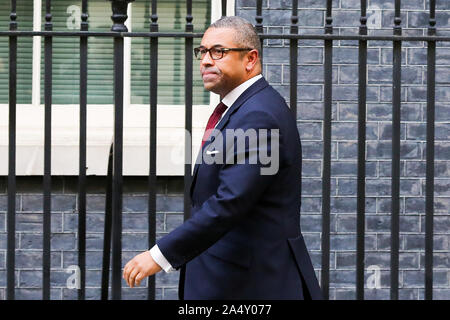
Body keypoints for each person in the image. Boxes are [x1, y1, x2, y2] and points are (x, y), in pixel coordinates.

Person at [122, 16, 322, 300]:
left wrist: (160, 255)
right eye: (202, 52)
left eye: (218, 52)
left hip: (251, 285)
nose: (205, 60)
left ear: (250, 59)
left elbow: (230, 201)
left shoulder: (258, 115)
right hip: (230, 278)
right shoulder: (241, 109)